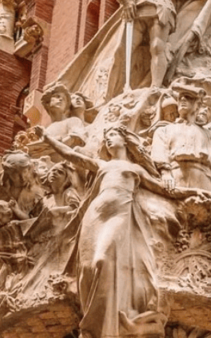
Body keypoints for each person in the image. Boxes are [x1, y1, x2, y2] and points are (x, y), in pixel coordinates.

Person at [41, 126, 171, 338]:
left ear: (125, 139)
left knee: (102, 259)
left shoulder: (137, 169)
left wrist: (187, 188)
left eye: (112, 135)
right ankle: (90, 329)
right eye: (106, 137)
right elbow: (71, 155)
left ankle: (106, 326)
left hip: (119, 213)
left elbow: (163, 189)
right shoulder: (103, 165)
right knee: (87, 268)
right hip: (95, 215)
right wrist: (47, 137)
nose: (108, 140)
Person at [150, 82, 211, 193]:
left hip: (206, 183)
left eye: (188, 97)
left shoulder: (209, 135)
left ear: (197, 105)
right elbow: (159, 153)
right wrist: (166, 173)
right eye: (180, 98)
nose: (183, 99)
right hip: (176, 180)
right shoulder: (164, 130)